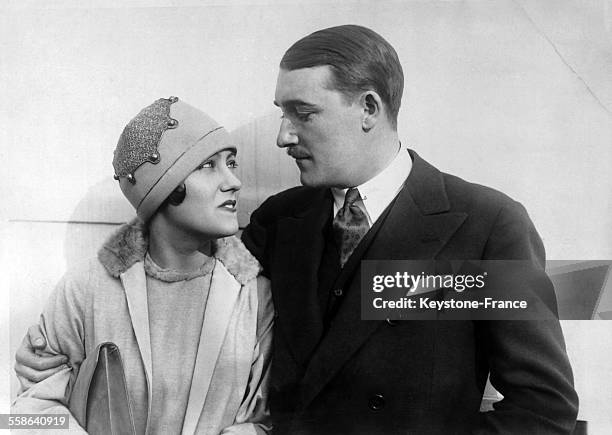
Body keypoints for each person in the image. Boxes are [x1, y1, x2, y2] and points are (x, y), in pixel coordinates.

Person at [16, 25, 578, 434]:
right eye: (280, 113)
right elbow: (197, 322)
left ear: (369, 107)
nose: (283, 137)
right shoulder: (278, 223)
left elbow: (543, 409)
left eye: (302, 113)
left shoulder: (484, 225)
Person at [12, 97, 274, 435]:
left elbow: (266, 420)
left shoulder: (255, 295)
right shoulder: (85, 289)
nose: (234, 181)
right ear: (162, 189)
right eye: (208, 165)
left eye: (231, 162)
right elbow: (24, 414)